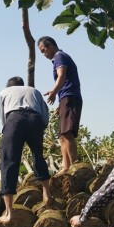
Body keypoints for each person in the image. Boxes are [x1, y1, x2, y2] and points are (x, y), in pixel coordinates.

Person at [0, 76, 51, 223]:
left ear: (9, 86)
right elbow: (45, 114)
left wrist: (8, 132)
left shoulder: (4, 92)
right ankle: (47, 194)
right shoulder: (34, 91)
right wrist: (39, 128)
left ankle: (9, 212)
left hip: (14, 119)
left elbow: (4, 118)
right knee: (38, 155)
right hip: (35, 119)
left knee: (9, 161)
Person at [37, 36, 82, 173]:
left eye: (44, 50)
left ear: (50, 45)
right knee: (62, 135)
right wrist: (60, 102)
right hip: (66, 98)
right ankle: (65, 166)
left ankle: (73, 166)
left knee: (67, 133)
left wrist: (53, 92)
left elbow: (61, 76)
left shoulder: (59, 56)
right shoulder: (58, 58)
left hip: (70, 96)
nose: (44, 55)